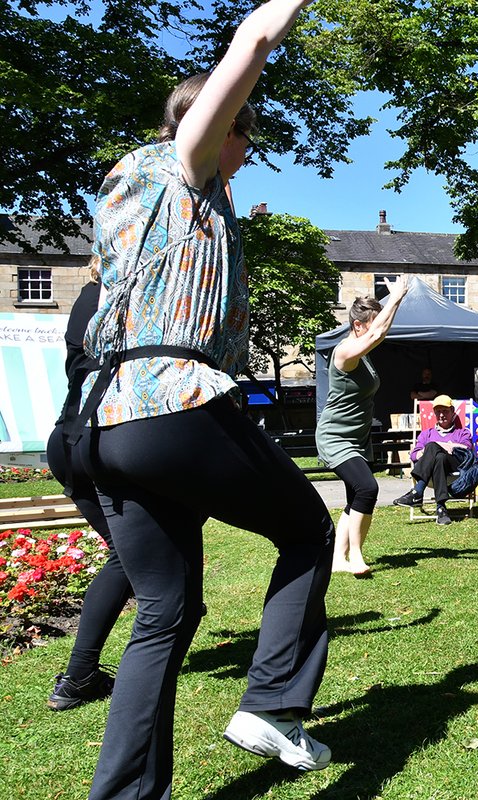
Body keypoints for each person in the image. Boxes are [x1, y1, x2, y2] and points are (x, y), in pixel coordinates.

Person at [76, 3, 337, 795]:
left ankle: (122, 794)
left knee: (163, 610)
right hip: (173, 402)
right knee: (308, 529)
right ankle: (273, 704)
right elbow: (253, 38)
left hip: (103, 421)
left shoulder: (128, 197)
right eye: (246, 137)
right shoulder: (179, 168)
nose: (248, 156)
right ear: (220, 125)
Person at [44, 259, 131, 711]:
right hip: (108, 436)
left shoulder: (85, 298)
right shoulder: (133, 296)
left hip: (67, 437)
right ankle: (78, 677)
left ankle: (178, 605)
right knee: (129, 556)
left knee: (132, 555)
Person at [317, 279, 410, 575]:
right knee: (367, 488)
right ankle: (356, 556)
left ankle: (336, 558)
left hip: (356, 439)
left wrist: (393, 303)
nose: (376, 331)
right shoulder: (345, 353)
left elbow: (380, 331)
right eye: (369, 325)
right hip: (335, 437)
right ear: (358, 325)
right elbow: (379, 331)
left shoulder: (364, 355)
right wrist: (396, 297)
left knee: (354, 497)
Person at [392, 395, 473, 525]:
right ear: (434, 413)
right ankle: (441, 509)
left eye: (445, 411)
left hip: (455, 470)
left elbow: (466, 450)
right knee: (438, 457)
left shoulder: (462, 432)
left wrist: (440, 446)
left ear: (453, 411)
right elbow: (414, 455)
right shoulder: (426, 433)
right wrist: (431, 451)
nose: (441, 415)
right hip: (435, 471)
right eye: (438, 411)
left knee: (432, 446)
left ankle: (418, 491)